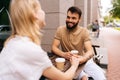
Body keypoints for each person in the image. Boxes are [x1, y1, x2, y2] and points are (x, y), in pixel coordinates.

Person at [0, 0, 80, 80]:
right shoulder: (31, 49)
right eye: (40, 8)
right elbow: (65, 78)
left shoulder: (12, 42)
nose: (43, 11)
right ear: (34, 14)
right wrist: (74, 65)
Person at [52, 6, 106, 80]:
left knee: (101, 77)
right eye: (68, 17)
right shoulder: (60, 30)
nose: (70, 20)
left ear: (79, 19)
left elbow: (90, 51)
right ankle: (83, 75)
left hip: (83, 59)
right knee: (83, 77)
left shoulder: (84, 31)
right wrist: (63, 54)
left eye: (73, 18)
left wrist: (83, 58)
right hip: (68, 61)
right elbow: (54, 47)